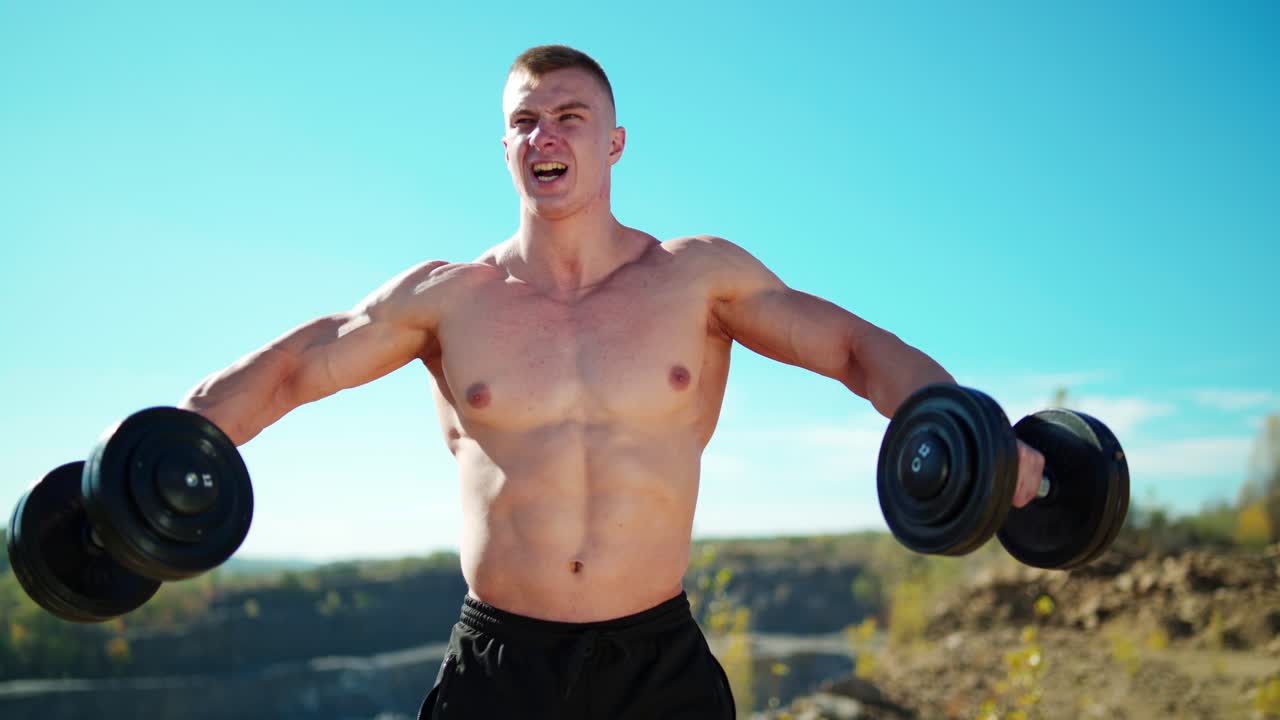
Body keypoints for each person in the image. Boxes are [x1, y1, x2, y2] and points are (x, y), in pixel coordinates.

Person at [179, 45, 1046, 719]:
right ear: (504, 146)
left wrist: (986, 443)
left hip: (655, 665)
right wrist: (162, 455)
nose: (543, 135)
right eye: (524, 120)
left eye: (569, 115)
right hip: (498, 667)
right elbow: (298, 365)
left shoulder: (695, 279)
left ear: (614, 140)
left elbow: (856, 350)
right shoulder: (449, 298)